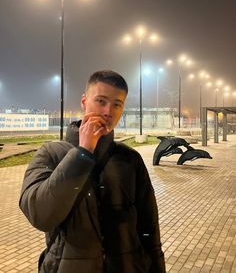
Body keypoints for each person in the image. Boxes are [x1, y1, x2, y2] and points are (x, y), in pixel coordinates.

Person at [19, 70, 166, 273]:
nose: (108, 111)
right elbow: (40, 214)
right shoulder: (51, 154)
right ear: (84, 101)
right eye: (101, 101)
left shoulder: (130, 159)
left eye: (117, 104)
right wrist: (83, 153)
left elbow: (149, 227)